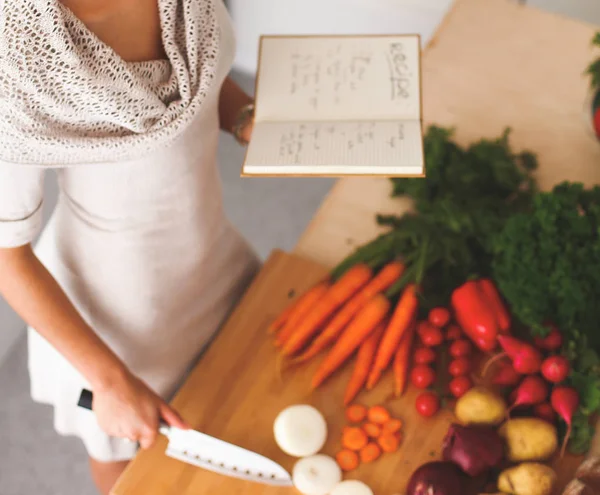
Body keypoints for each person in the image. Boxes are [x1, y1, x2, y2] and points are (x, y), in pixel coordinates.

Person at [0, 1, 260, 493]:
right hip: (119, 325)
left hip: (218, 264)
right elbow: (6, 257)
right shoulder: (13, 56)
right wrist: (109, 381)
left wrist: (245, 117)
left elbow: (197, 83)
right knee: (132, 469)